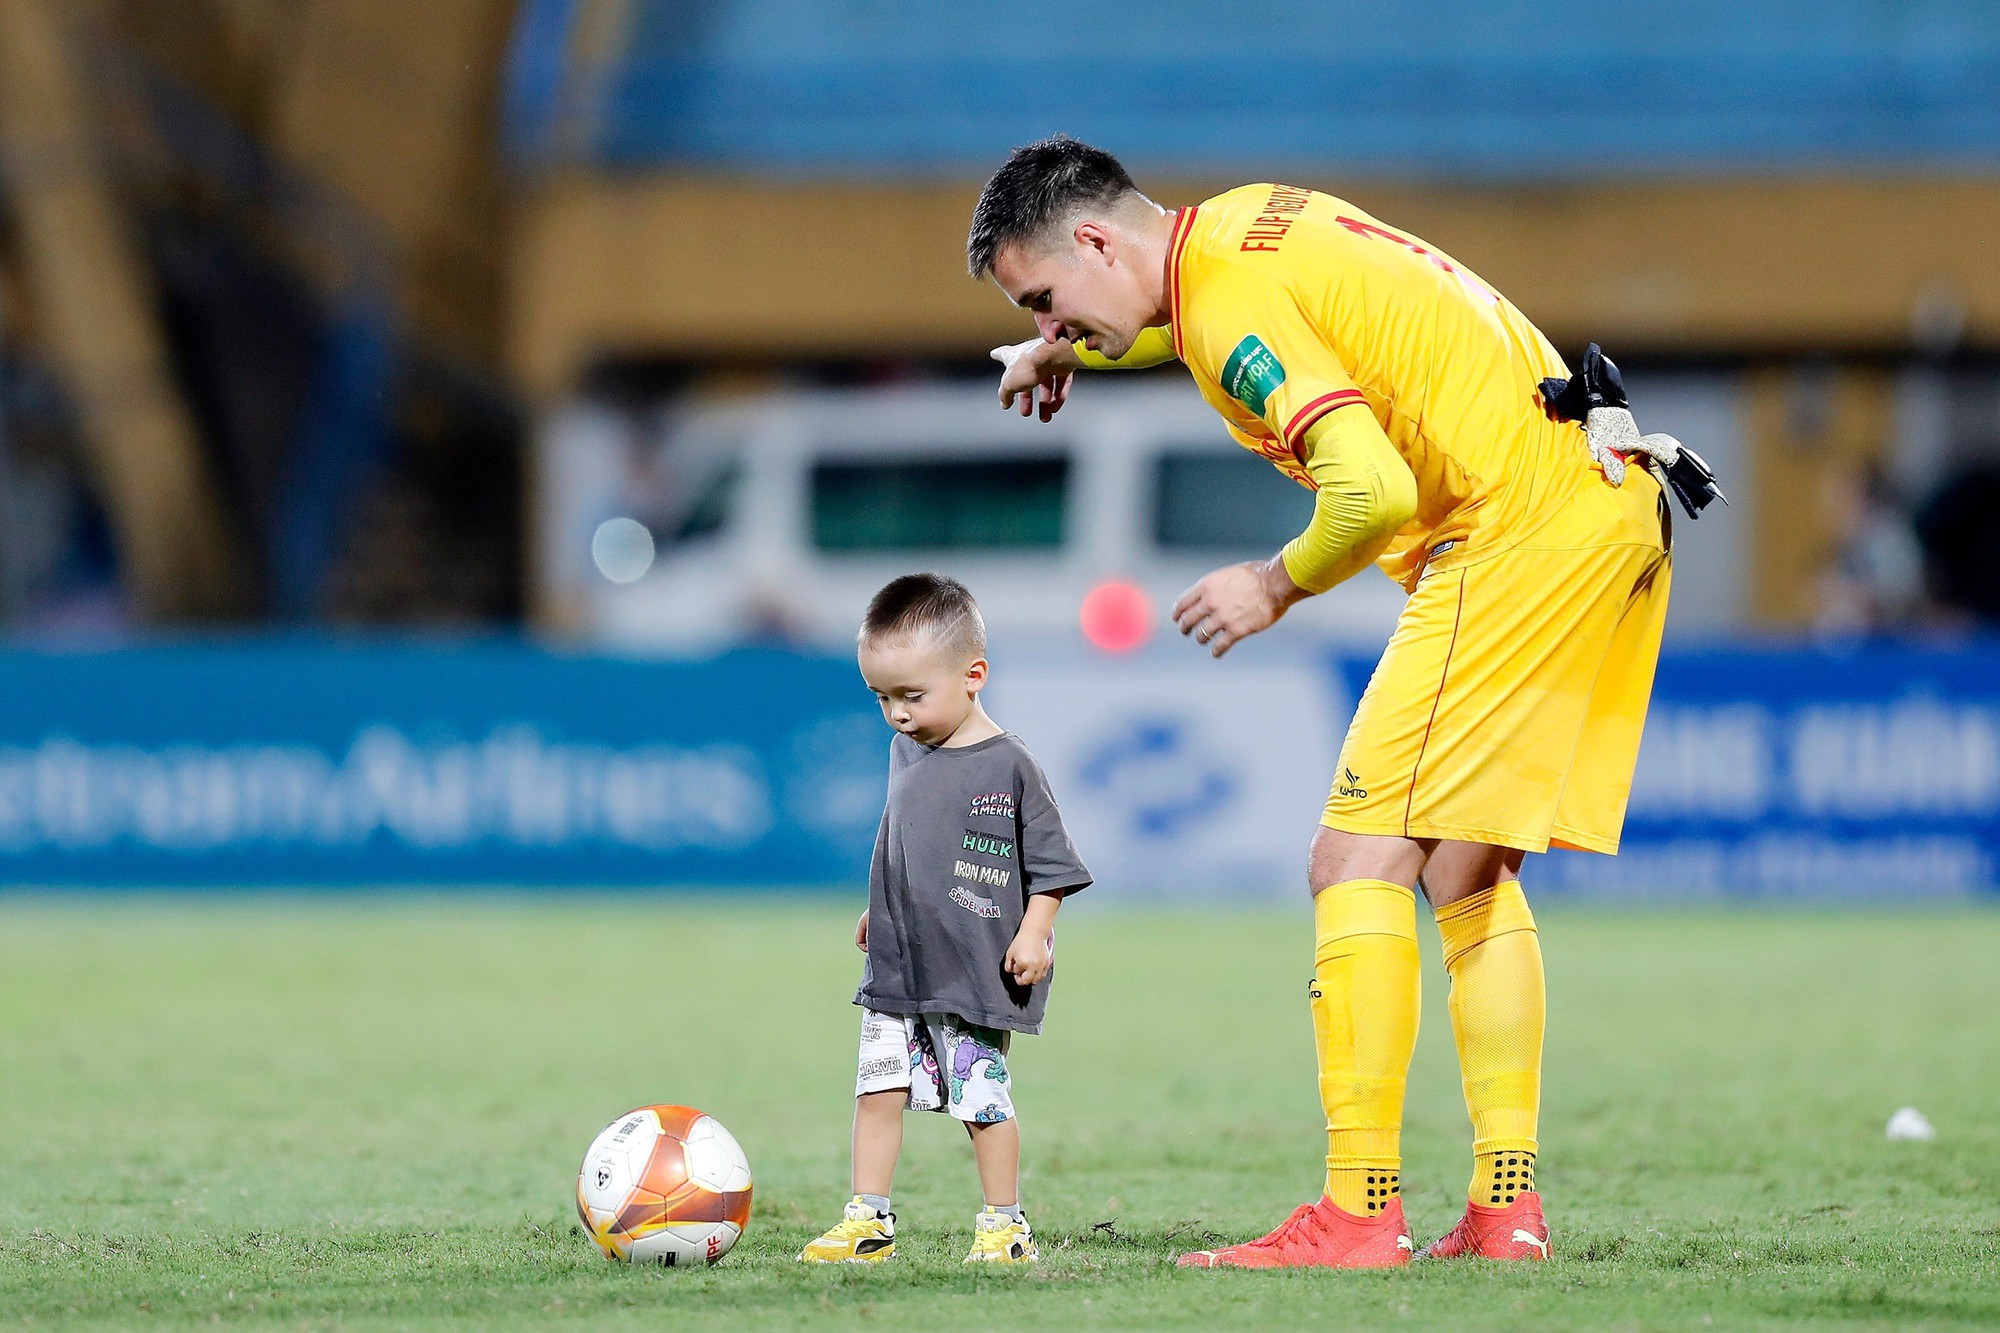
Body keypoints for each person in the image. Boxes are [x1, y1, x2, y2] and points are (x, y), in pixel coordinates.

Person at [968, 136, 1689, 1269]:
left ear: (1098, 240)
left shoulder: (1223, 309)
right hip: (1601, 493)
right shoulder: (1243, 222)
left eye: (1050, 303)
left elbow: (1372, 488)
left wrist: (1272, 583)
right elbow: (1193, 316)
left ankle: (1357, 1215)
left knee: (1352, 862)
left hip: (1507, 531)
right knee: (1463, 866)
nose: (1055, 329)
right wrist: (1077, 352)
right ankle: (1504, 1210)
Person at [798, 573, 1091, 1265]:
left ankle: (1004, 1224)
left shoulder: (1011, 765)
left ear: (973, 675)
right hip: (900, 962)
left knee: (981, 1100)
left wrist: (1033, 931)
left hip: (973, 965)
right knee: (877, 1090)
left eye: (912, 695)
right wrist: (882, 900)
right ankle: (867, 1220)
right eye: (883, 698)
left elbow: (1052, 867)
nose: (898, 713)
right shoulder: (909, 748)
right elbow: (899, 827)